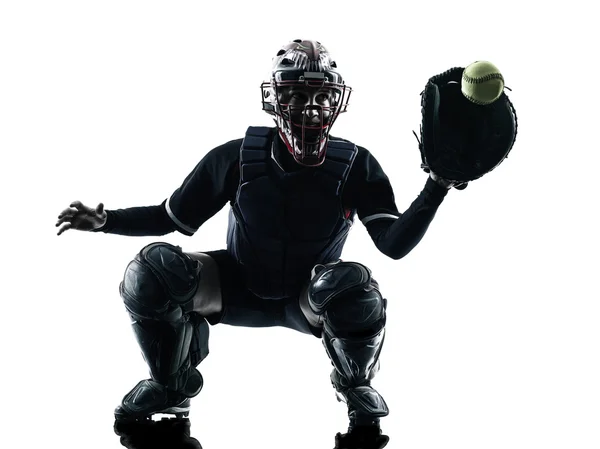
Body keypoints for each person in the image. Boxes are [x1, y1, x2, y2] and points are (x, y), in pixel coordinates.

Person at [56, 39, 455, 448]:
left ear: (337, 101)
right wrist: (107, 221)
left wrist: (437, 186)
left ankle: (356, 390)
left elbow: (393, 244)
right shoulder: (236, 158)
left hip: (309, 296)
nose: (311, 108)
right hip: (235, 284)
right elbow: (170, 217)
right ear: (276, 99)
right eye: (298, 95)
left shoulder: (355, 164)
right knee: (152, 271)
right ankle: (170, 386)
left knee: (354, 286)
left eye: (321, 96)